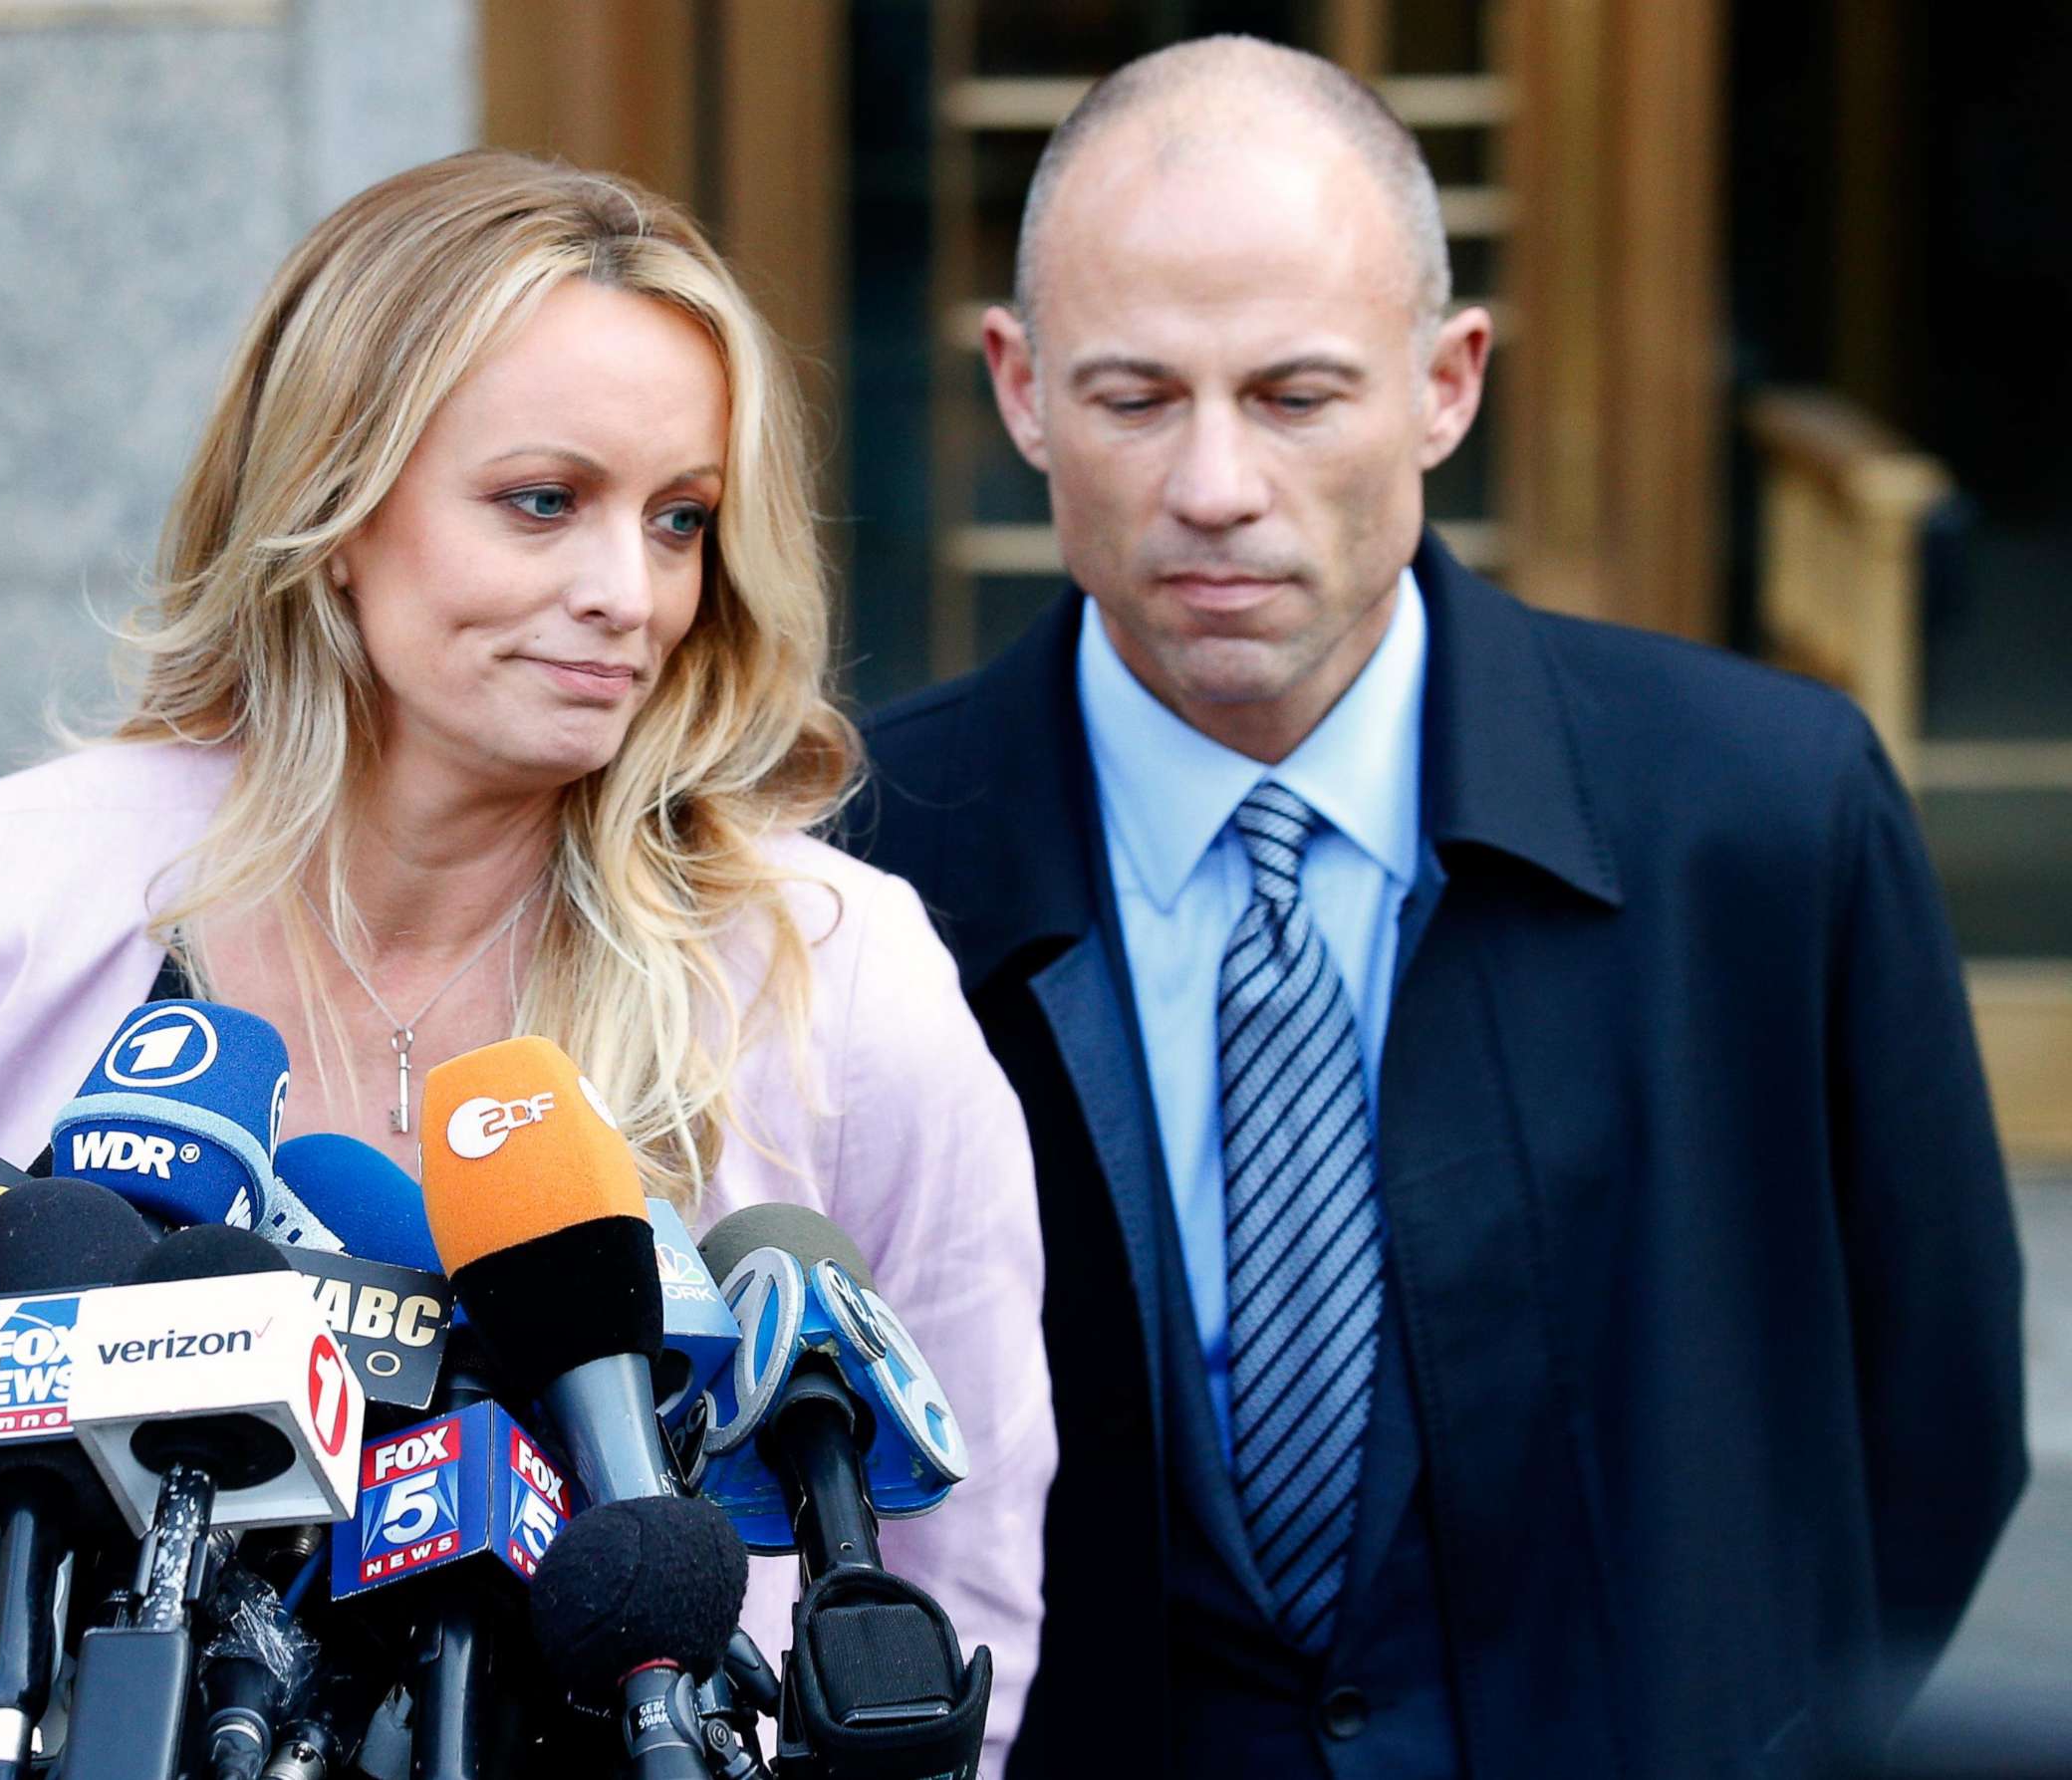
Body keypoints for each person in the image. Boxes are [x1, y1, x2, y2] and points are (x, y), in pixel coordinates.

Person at [846, 35, 2025, 1779]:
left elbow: (1936, 1419)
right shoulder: (859, 866)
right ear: (1019, 390)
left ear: (1447, 383)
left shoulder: (1760, 815)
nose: (1217, 486)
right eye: (1134, 396)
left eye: (1299, 395)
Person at [0, 149, 1054, 1758]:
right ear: (334, 504)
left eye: (679, 520)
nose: (624, 595)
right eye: (543, 502)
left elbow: (952, 1595)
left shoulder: (836, 975)